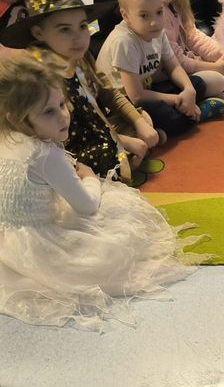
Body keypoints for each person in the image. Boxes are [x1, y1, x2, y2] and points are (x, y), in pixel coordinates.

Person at [0, 55, 205, 329]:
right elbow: (86, 206)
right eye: (49, 112)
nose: (63, 115)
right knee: (118, 213)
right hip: (42, 247)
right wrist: (89, 178)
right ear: (17, 119)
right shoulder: (46, 155)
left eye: (61, 104)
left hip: (7, 241)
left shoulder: (6, 140)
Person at [0, 0, 159, 182]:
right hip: (69, 146)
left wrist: (138, 123)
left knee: (143, 118)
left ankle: (127, 154)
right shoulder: (42, 75)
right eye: (65, 30)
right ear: (39, 33)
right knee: (108, 155)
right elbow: (56, 137)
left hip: (98, 129)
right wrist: (121, 142)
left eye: (82, 26)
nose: (78, 37)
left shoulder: (81, 57)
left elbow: (108, 93)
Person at [97, 0, 224, 140]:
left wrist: (188, 90)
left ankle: (188, 110)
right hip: (126, 104)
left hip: (150, 91)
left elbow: (174, 67)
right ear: (125, 15)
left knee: (208, 81)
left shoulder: (158, 31)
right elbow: (136, 96)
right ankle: (197, 112)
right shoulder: (124, 41)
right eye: (144, 16)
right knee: (163, 115)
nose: (155, 22)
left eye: (159, 12)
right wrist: (177, 99)